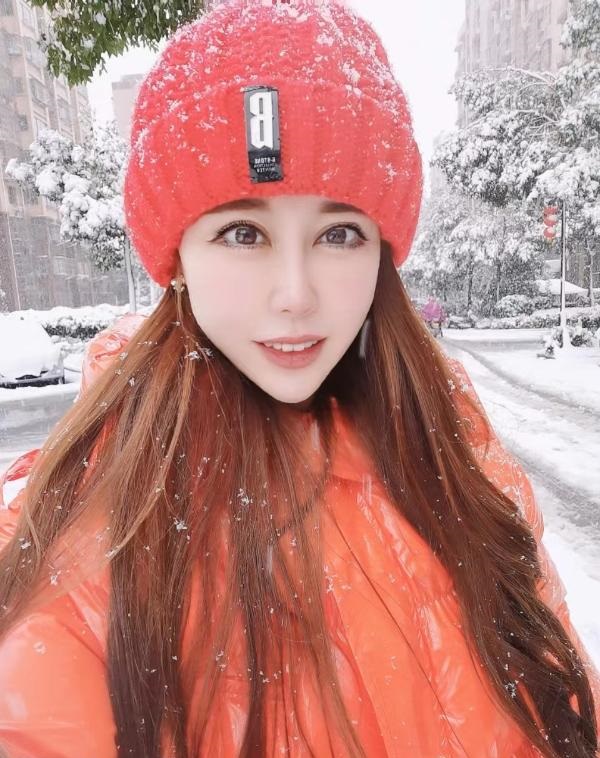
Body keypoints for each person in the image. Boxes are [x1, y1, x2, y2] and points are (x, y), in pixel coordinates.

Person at [0, 1, 598, 756]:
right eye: (242, 232)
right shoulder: (89, 529)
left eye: (339, 233)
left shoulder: (455, 458)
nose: (295, 294)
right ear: (176, 257)